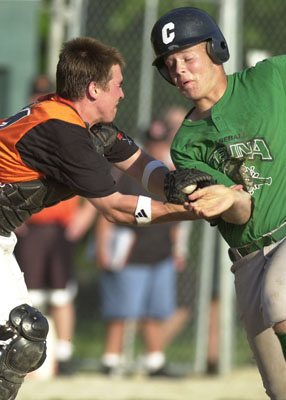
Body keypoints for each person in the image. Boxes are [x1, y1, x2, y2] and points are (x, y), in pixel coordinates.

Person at [0, 36, 250, 399]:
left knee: (26, 340)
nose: (121, 94)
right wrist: (196, 209)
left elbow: (136, 162)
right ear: (93, 89)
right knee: (19, 340)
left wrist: (176, 185)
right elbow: (116, 208)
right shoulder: (64, 133)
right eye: (117, 85)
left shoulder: (76, 120)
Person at [151, 6, 286, 399]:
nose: (179, 70)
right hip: (248, 259)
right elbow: (243, 213)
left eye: (188, 57)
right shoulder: (186, 143)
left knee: (280, 295)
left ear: (216, 50)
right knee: (278, 386)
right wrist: (226, 197)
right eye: (170, 64)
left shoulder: (271, 78)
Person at [95, 120, 188, 377]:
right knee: (121, 311)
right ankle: (111, 361)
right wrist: (103, 248)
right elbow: (109, 212)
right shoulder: (129, 175)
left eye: (162, 142)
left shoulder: (171, 176)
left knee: (155, 312)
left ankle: (154, 361)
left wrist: (179, 250)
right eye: (154, 142)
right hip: (130, 256)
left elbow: (177, 219)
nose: (157, 147)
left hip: (161, 254)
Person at [14, 197, 96, 376]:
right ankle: (23, 354)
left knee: (61, 295)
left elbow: (94, 181)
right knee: (27, 298)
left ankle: (63, 356)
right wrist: (10, 217)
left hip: (62, 227)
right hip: (29, 226)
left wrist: (87, 214)